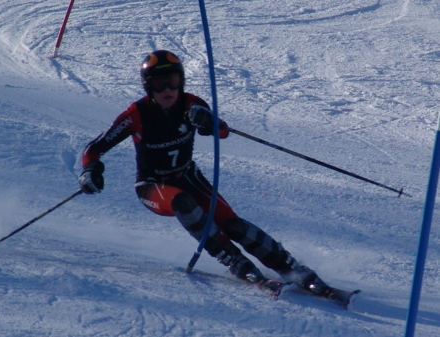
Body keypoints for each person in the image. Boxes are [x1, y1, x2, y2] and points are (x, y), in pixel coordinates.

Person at [79, 50, 330, 296]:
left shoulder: (191, 104)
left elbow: (221, 132)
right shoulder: (136, 114)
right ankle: (237, 263)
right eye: (159, 84)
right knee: (182, 202)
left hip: (189, 178)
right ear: (148, 87)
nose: (167, 90)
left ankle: (294, 269)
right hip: (153, 185)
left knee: (234, 225)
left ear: (182, 82)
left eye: (173, 82)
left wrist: (209, 120)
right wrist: (91, 169)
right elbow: (95, 148)